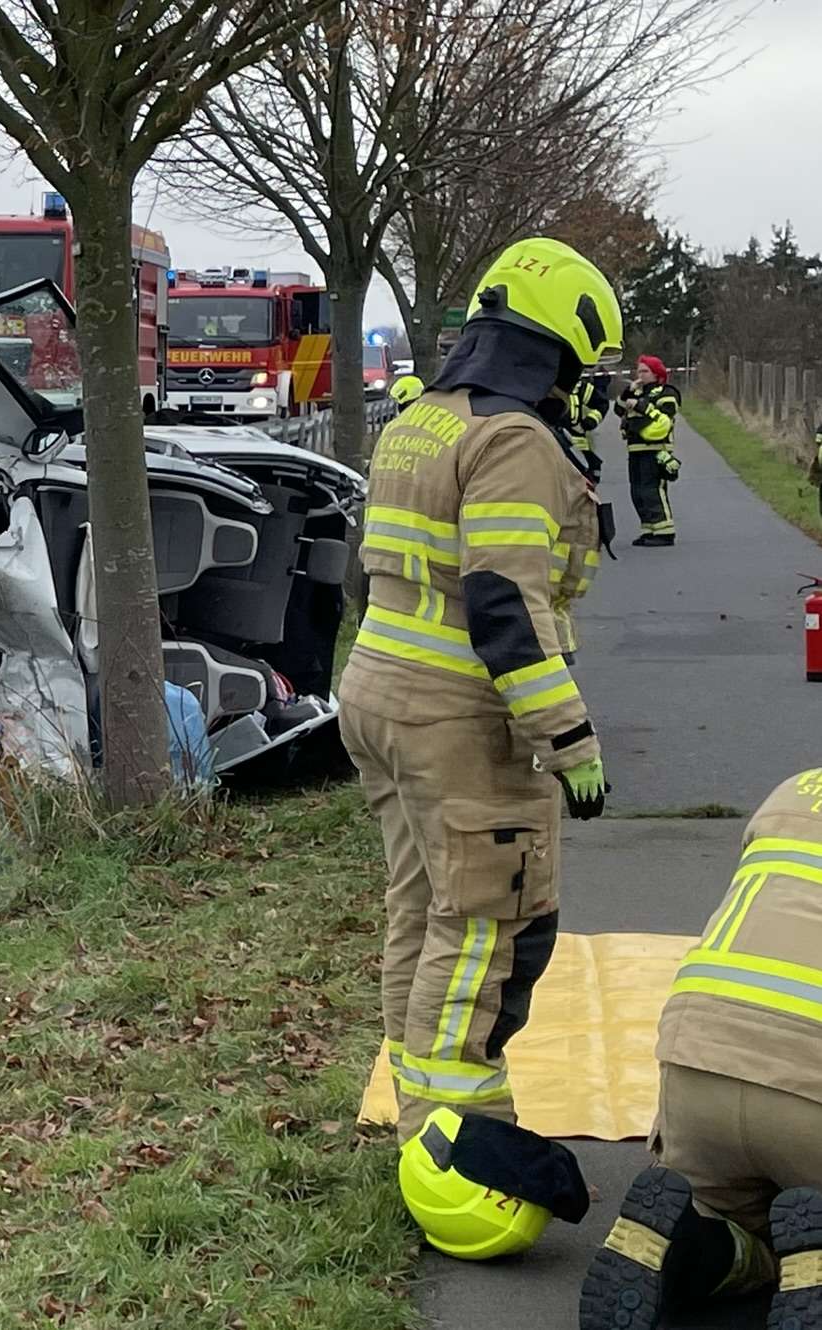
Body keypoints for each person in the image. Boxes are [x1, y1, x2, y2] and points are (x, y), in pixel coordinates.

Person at [339, 238, 619, 1245]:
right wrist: (570, 737)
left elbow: (364, 569)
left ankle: (419, 1124)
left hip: (378, 692)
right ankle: (458, 1150)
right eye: (582, 370)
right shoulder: (514, 441)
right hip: (458, 716)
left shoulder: (419, 419)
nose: (583, 392)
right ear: (556, 350)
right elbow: (505, 601)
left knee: (422, 911)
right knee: (490, 928)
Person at [577, 769, 822, 1328]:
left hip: (698, 1069)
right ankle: (812, 1263)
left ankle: (685, 1244)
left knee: (730, 1222)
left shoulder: (794, 789)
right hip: (813, 1103)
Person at [619, 354, 682, 546]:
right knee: (637, 491)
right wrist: (629, 392)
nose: (641, 375)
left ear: (656, 373)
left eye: (645, 371)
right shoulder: (637, 392)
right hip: (635, 448)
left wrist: (640, 405)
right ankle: (649, 530)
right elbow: (619, 410)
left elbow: (666, 415)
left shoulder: (666, 392)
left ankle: (665, 532)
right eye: (639, 371)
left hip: (656, 448)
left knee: (652, 489)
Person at [567, 371, 610, 483]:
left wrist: (589, 422)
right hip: (545, 445)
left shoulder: (579, 386)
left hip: (578, 451)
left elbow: (602, 404)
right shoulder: (540, 386)